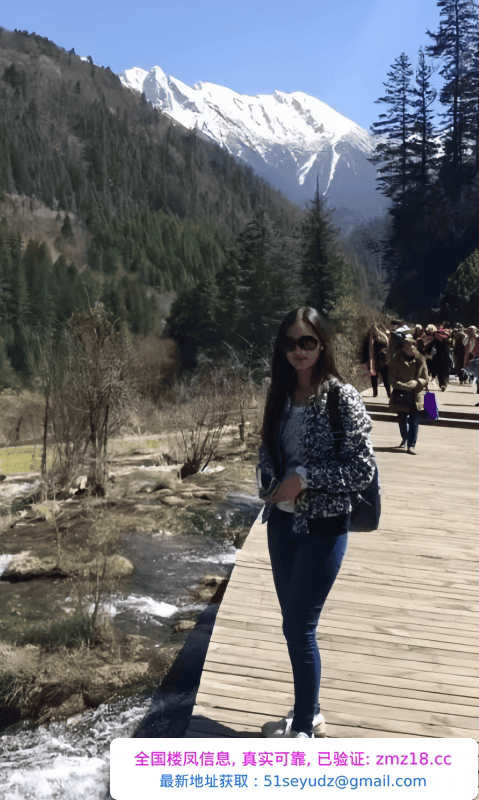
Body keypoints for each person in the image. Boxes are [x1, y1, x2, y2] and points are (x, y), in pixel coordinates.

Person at [256, 307, 376, 739]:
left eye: (307, 341)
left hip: (324, 525)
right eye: (290, 342)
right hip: (280, 523)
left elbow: (362, 468)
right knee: (294, 625)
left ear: (322, 344)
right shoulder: (279, 393)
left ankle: (304, 730)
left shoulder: (341, 397)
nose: (298, 350)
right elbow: (267, 450)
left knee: (299, 626)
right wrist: (268, 482)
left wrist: (305, 478)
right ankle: (311, 710)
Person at [388, 334, 428, 454]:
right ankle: (405, 437)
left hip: (415, 394)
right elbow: (391, 379)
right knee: (402, 420)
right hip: (400, 393)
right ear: (403, 347)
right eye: (407, 346)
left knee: (414, 421)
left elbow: (425, 378)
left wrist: (416, 382)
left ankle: (411, 445)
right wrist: (402, 385)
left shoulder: (421, 360)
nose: (410, 348)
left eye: (412, 345)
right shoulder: (396, 359)